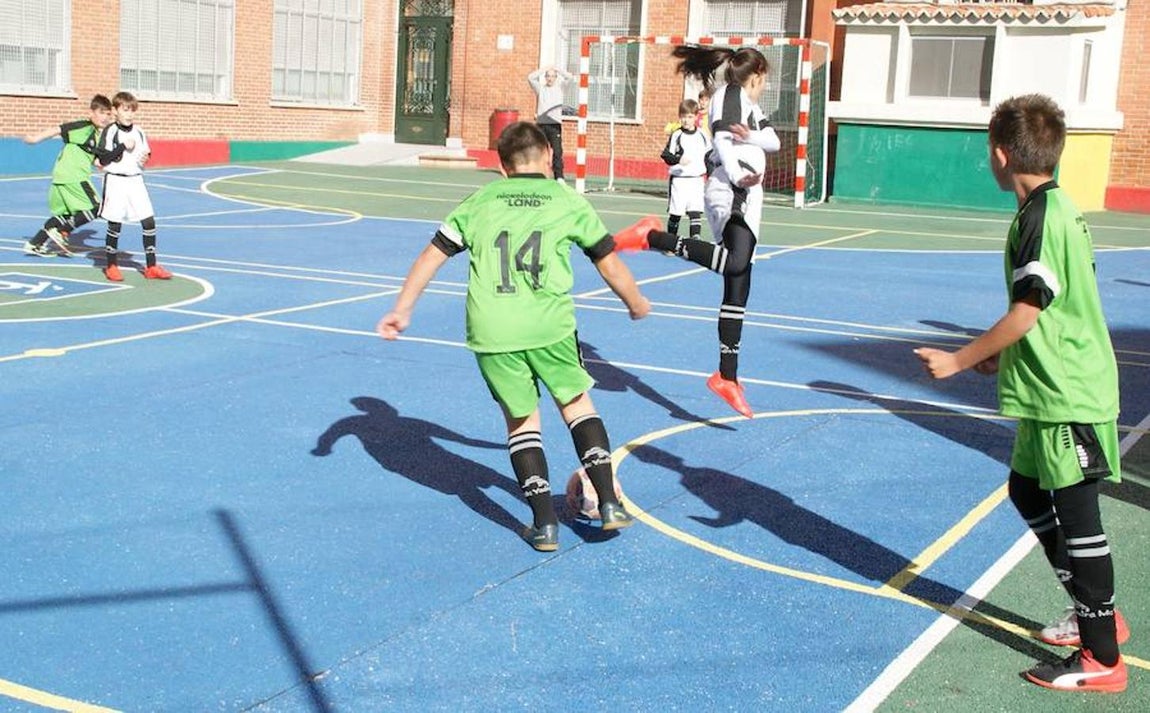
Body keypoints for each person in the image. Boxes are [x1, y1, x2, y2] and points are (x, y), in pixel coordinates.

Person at [915, 94, 1127, 694]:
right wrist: (1003, 355)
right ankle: (1094, 613)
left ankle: (1102, 657)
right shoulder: (1052, 207)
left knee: (1080, 519)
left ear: (1002, 155)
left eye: (990, 149)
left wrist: (960, 358)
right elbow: (1050, 307)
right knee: (1026, 489)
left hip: (1068, 392)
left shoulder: (1041, 218)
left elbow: (1029, 309)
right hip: (1045, 389)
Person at [377, 121, 655, 552]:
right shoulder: (567, 200)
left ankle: (544, 525)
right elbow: (608, 262)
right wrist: (635, 301)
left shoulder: (481, 201)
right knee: (577, 405)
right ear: (549, 155)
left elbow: (432, 255)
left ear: (502, 166)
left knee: (522, 423)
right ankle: (609, 503)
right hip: (549, 325)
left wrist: (402, 309)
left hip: (493, 329)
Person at [614, 45, 781, 419]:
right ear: (757, 75)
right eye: (765, 79)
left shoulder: (750, 107)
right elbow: (721, 139)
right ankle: (652, 237)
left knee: (739, 282)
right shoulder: (731, 94)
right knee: (734, 264)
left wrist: (751, 138)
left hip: (748, 193)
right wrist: (737, 173)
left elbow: (774, 141)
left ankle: (727, 377)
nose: (765, 86)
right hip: (733, 188)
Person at [22, 94, 120, 257]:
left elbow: (94, 158)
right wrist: (35, 139)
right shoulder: (83, 127)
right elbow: (59, 129)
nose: (105, 117)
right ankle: (62, 232)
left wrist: (105, 166)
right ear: (91, 113)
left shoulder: (97, 135)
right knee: (96, 208)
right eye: (101, 112)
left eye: (108, 114)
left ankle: (34, 244)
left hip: (62, 176)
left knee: (65, 215)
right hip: (74, 176)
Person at [98, 91, 171, 281]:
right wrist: (122, 146)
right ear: (115, 111)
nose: (129, 114)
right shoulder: (110, 131)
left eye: (132, 110)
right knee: (115, 223)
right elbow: (103, 159)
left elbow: (146, 152)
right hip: (116, 180)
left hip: (136, 179)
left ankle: (151, 266)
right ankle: (111, 265)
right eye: (125, 110)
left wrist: (145, 157)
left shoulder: (139, 131)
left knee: (148, 221)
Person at [660, 99, 710, 241]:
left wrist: (711, 175)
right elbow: (666, 156)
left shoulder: (702, 135)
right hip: (679, 181)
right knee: (676, 214)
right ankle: (671, 241)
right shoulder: (676, 135)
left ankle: (695, 240)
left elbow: (709, 156)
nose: (686, 120)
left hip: (696, 180)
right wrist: (678, 160)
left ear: (695, 117)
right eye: (683, 117)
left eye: (689, 117)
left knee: (695, 212)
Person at [527, 65, 575, 183]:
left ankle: (559, 176)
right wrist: (545, 68)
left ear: (556, 78)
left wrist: (557, 69)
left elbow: (570, 77)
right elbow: (530, 77)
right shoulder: (540, 89)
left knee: (557, 152)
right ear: (545, 77)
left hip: (554, 125)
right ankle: (538, 174)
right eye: (548, 76)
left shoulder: (561, 88)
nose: (550, 78)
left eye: (552, 76)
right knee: (539, 151)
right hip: (541, 125)